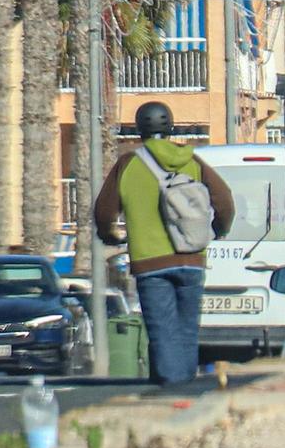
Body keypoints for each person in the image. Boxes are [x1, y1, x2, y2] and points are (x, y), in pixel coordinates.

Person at [91, 101, 235, 386]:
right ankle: (181, 386)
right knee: (186, 330)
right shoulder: (192, 161)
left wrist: (109, 235)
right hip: (192, 257)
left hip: (150, 263)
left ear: (139, 129)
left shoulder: (129, 164)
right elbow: (225, 200)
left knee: (162, 330)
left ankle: (172, 390)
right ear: (170, 127)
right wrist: (216, 230)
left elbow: (104, 212)